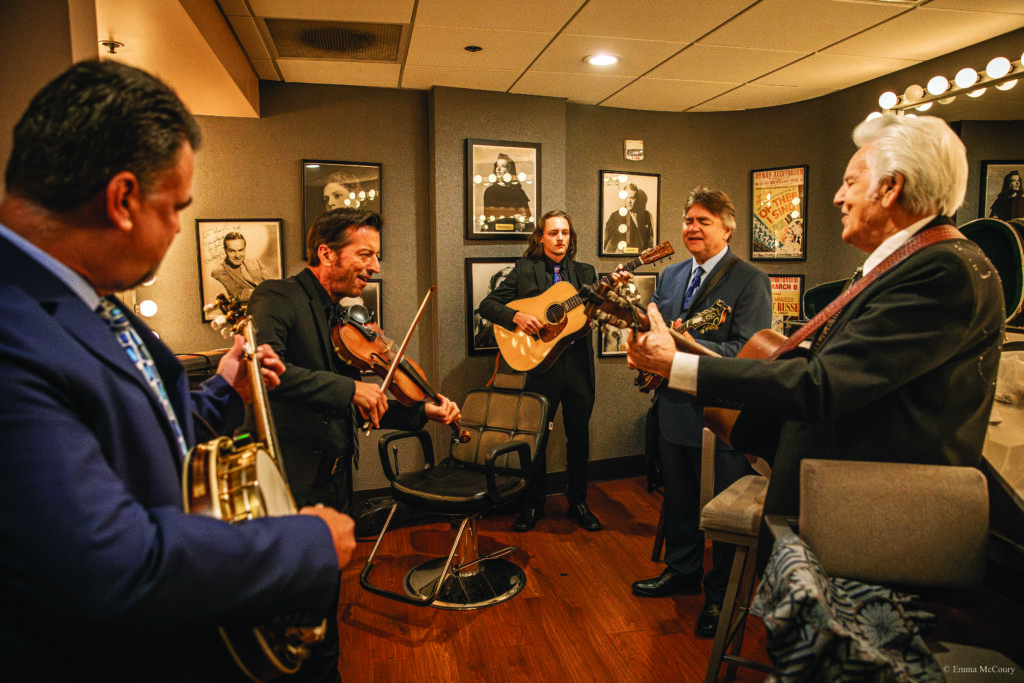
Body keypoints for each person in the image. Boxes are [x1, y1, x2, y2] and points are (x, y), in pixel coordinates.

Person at [0, 60, 354, 683]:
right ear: (123, 199)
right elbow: (109, 566)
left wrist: (225, 388)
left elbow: (145, 433)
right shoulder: (12, 328)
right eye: (175, 208)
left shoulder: (93, 296)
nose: (176, 230)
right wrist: (307, 545)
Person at [627, 115, 1004, 574]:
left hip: (869, 529)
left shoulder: (942, 270)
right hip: (843, 511)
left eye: (850, 182)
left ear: (891, 187)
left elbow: (823, 385)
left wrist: (677, 365)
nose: (838, 196)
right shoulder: (907, 265)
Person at [245, 207, 461, 515]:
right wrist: (350, 388)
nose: (375, 266)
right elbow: (263, 373)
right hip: (289, 481)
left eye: (376, 255)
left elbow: (357, 410)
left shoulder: (340, 319)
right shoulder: (278, 296)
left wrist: (423, 410)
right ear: (327, 254)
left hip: (337, 481)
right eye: (365, 254)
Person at [629, 187, 772, 640]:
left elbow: (746, 351)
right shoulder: (671, 276)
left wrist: (685, 349)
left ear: (727, 228)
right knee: (680, 498)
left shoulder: (749, 279)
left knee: (722, 509)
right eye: (688, 219)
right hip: (672, 405)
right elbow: (659, 332)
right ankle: (683, 569)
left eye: (703, 221)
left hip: (719, 413)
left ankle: (721, 597)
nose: (692, 227)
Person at [478, 210, 602, 532]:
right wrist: (516, 317)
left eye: (565, 232)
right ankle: (533, 504)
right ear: (541, 237)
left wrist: (610, 296)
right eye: (553, 233)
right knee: (537, 441)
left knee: (579, 438)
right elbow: (488, 305)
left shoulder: (586, 273)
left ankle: (578, 502)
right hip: (540, 368)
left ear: (570, 238)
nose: (560, 238)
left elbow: (595, 313)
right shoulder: (524, 270)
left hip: (578, 368)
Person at [210, 230, 267, 302]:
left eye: (240, 250)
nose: (237, 255)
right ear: (225, 251)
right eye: (232, 251)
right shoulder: (219, 271)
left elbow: (269, 281)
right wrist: (266, 292)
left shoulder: (254, 261)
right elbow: (237, 294)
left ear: (244, 249)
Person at [482, 153, 532, 232]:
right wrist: (514, 220)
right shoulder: (490, 191)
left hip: (515, 238)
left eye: (503, 166)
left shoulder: (519, 192)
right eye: (497, 166)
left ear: (509, 169)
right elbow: (490, 219)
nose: (498, 169)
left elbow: (529, 220)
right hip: (494, 236)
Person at [604, 183, 654, 254]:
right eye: (626, 198)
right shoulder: (615, 216)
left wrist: (649, 250)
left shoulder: (646, 215)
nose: (629, 202)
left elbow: (651, 237)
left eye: (632, 198)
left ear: (637, 199)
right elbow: (606, 242)